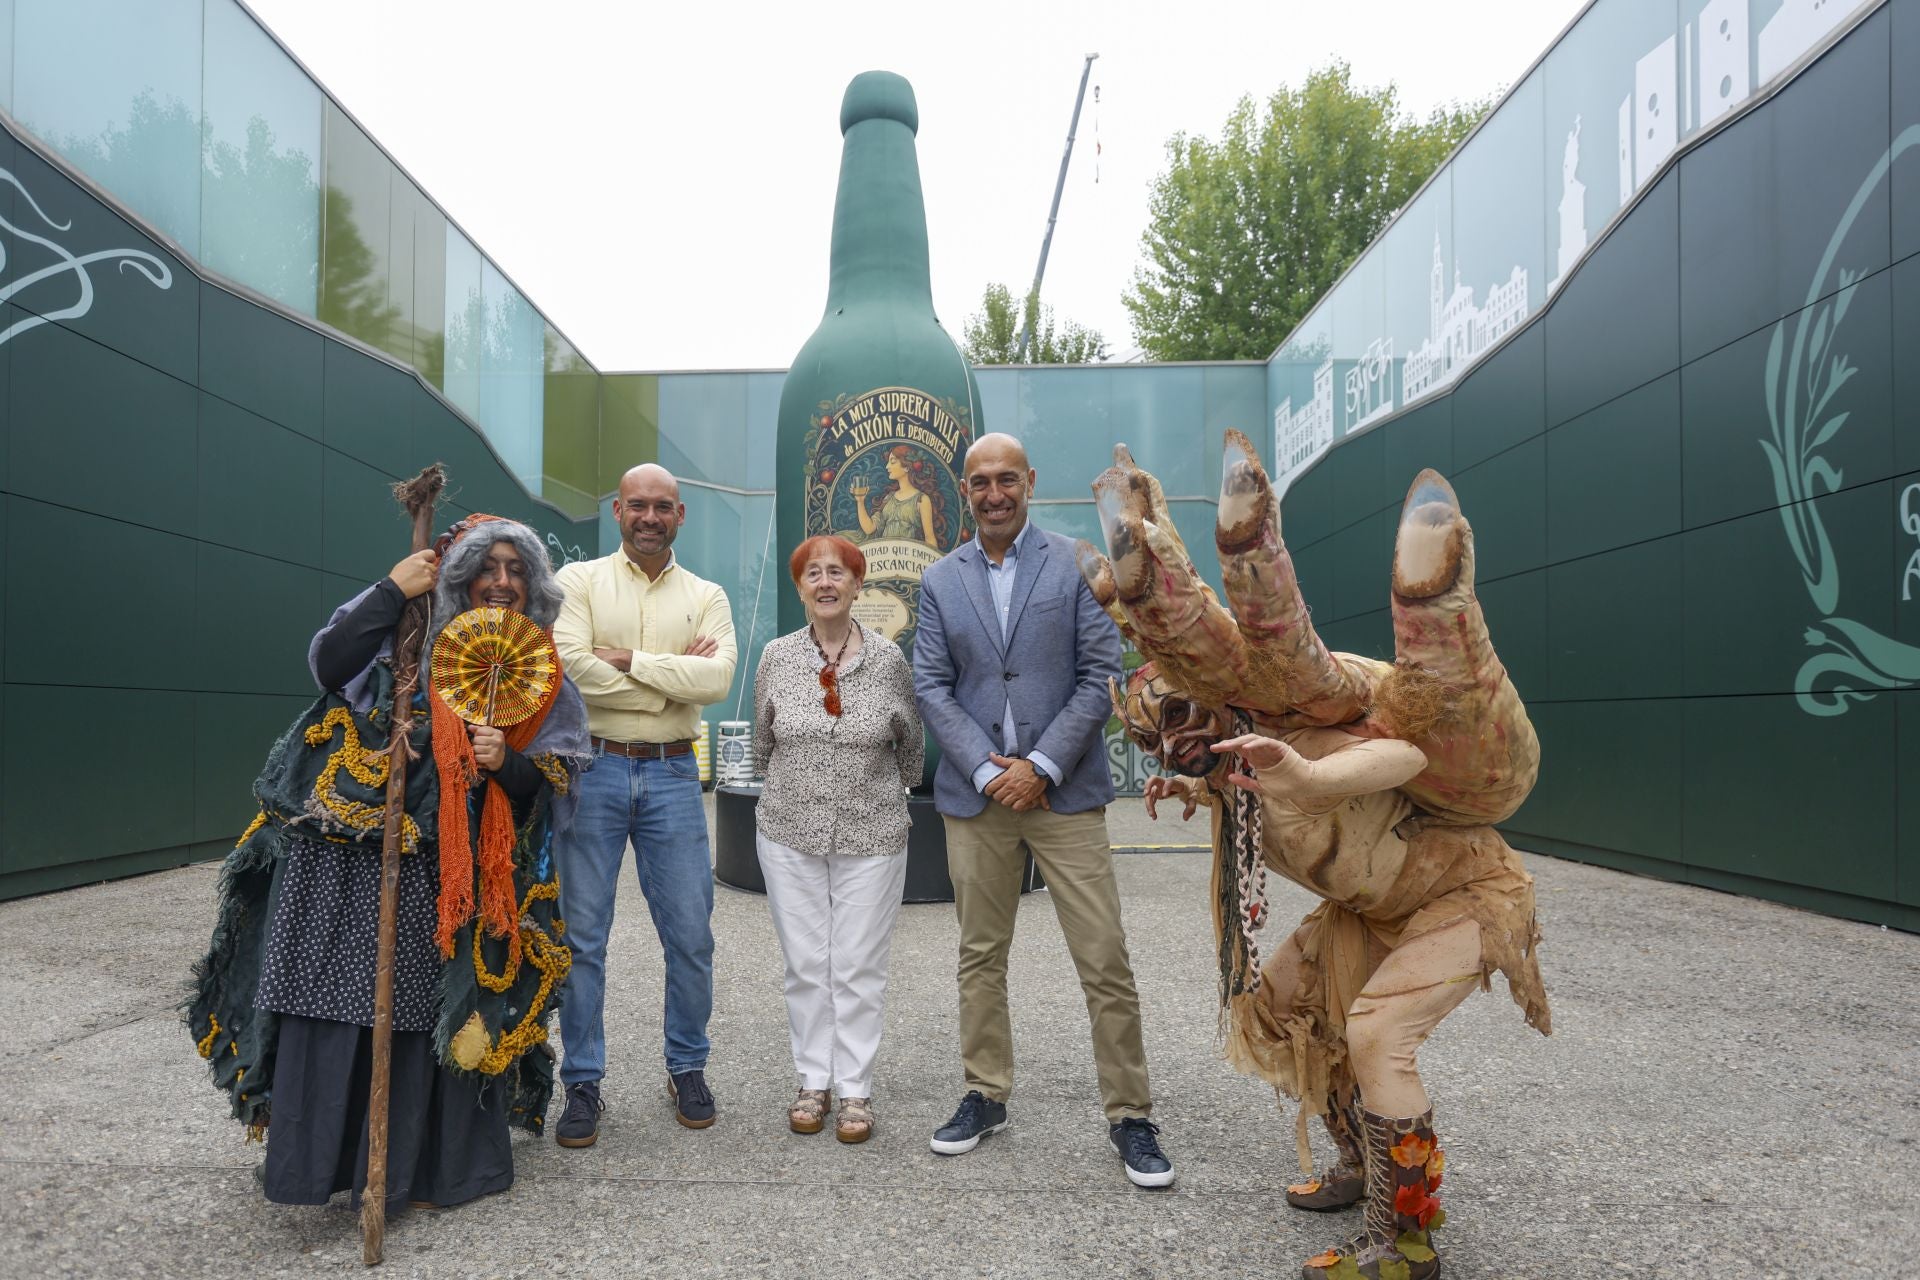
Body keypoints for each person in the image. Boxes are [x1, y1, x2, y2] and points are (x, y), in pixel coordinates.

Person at [1087, 436, 1550, 1280]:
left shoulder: (1299, 723)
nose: (1175, 738)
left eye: (1182, 720)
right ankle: (1360, 1164)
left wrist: (1308, 772)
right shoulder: (1237, 760)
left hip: (1465, 891)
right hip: (1373, 911)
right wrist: (1199, 790)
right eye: (1161, 731)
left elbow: (1403, 759)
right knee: (1289, 1009)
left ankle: (1404, 1241)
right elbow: (1261, 797)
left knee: (1378, 1034)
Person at [188, 513, 592, 1211]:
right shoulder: (403, 631)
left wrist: (509, 764)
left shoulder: (540, 673)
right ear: (459, 575)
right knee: (338, 1000)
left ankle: (428, 1174)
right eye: (486, 567)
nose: (501, 581)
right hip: (351, 862)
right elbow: (328, 663)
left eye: (515, 569)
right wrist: (390, 590)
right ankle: (330, 1168)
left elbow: (555, 786)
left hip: (457, 884)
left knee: (427, 1011)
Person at [911, 431, 1175, 1189]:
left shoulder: (1074, 562)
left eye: (1007, 479)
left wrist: (1042, 766)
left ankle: (1130, 1114)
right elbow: (931, 684)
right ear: (967, 491)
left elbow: (1101, 675)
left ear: (1029, 480)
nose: (994, 493)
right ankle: (985, 1093)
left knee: (1103, 958)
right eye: (980, 482)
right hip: (978, 793)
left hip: (1065, 792)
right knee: (980, 956)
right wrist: (991, 771)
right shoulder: (940, 579)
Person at [550, 463, 737, 1147]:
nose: (650, 516)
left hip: (672, 777)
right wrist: (669, 685)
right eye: (638, 505)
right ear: (618, 512)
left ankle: (687, 1066)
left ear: (680, 515)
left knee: (691, 936)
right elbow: (570, 665)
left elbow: (716, 679)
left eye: (663, 506)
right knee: (582, 939)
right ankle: (583, 1082)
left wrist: (626, 660)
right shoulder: (577, 583)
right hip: (590, 769)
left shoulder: (707, 595)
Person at [750, 535, 924, 1143]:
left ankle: (854, 1089)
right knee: (805, 963)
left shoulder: (888, 660)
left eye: (837, 573)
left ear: (857, 584)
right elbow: (763, 745)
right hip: (789, 828)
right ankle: (812, 1081)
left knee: (856, 966)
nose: (826, 583)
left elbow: (911, 748)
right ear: (800, 588)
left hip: (872, 832)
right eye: (813, 574)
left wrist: (873, 794)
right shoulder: (775, 656)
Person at [853, 443, 939, 545]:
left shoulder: (922, 500)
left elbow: (930, 539)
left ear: (907, 467)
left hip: (910, 558)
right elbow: (869, 529)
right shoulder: (889, 498)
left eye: (892, 462)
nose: (887, 466)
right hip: (885, 557)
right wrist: (860, 501)